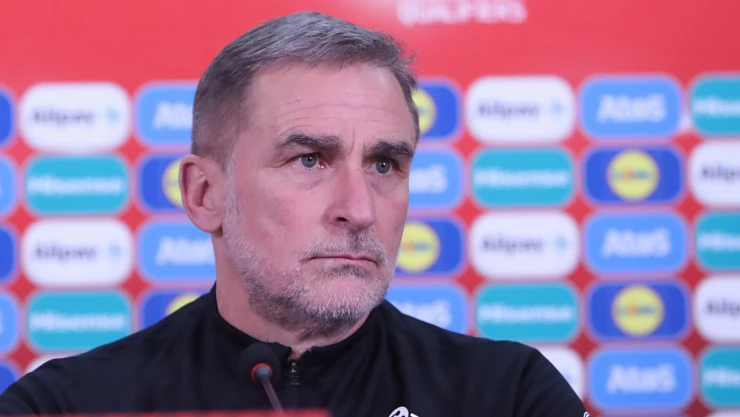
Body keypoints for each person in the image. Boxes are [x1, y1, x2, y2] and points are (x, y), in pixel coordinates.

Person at [0, 11, 588, 417]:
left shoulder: (510, 395)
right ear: (204, 195)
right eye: (309, 160)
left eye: (384, 164)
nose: (359, 210)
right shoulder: (64, 405)